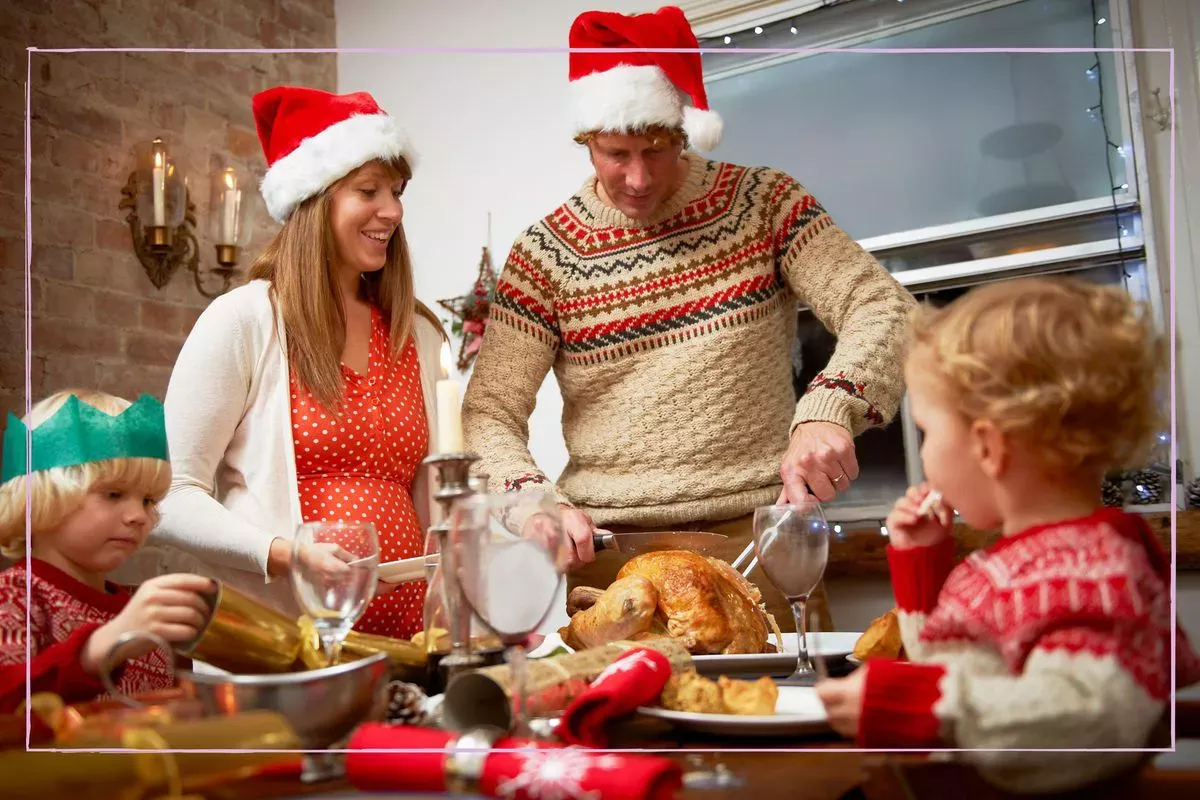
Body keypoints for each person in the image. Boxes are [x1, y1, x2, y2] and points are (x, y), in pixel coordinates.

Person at [461, 6, 916, 630]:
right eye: (615, 152)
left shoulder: (764, 204)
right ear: (585, 139)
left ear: (684, 127)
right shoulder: (545, 254)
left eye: (658, 148)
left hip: (761, 543)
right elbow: (490, 411)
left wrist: (828, 408)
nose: (639, 177)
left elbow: (883, 305)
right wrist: (530, 501)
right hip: (609, 564)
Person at [814, 277, 1200, 792]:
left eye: (928, 431)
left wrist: (914, 704)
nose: (923, 453)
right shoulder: (1036, 560)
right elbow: (959, 668)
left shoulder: (1087, 573)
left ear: (989, 448)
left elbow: (1088, 720)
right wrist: (924, 565)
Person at [150, 87, 444, 640]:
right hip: (285, 640)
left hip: (410, 640)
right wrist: (284, 554)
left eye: (397, 192)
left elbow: (434, 498)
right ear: (314, 197)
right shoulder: (246, 319)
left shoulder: (416, 332)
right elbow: (169, 492)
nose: (394, 211)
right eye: (369, 191)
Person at [0, 390, 214, 712]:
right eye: (113, 494)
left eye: (147, 501)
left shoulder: (137, 609)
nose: (139, 516)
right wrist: (96, 651)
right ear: (40, 496)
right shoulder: (14, 599)